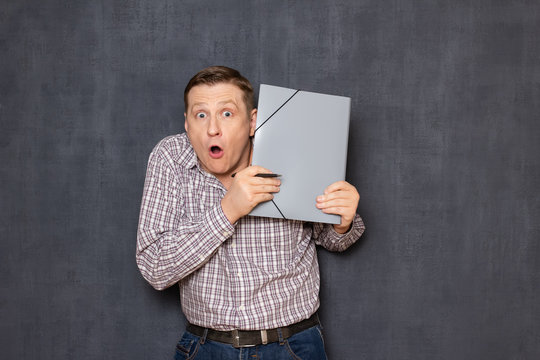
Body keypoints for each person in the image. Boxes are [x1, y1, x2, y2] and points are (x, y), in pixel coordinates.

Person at [136, 66, 365, 359]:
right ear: (187, 123)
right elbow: (155, 268)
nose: (213, 129)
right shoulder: (170, 158)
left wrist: (342, 223)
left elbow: (330, 239)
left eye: (227, 113)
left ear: (252, 121)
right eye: (201, 114)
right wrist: (228, 210)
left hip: (292, 346)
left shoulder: (290, 148)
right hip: (206, 347)